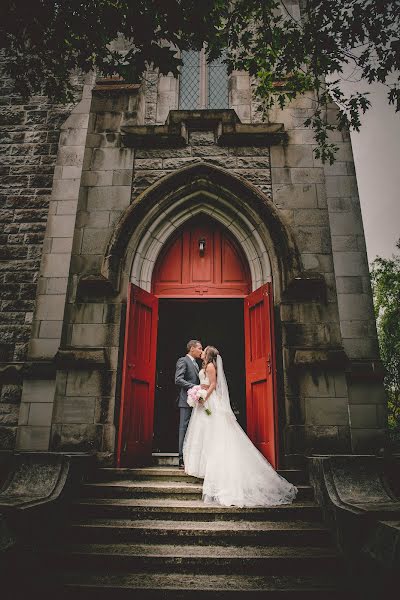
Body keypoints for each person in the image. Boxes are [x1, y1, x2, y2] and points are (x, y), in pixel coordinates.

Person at [183, 346, 298, 507]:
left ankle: (214, 468)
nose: (202, 352)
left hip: (210, 400)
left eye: (204, 350)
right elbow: (206, 383)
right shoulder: (205, 366)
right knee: (203, 432)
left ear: (208, 355)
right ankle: (203, 466)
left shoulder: (210, 366)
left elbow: (214, 384)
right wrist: (199, 390)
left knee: (214, 433)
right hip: (204, 399)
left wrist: (203, 398)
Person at [174, 340, 202, 469]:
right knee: (183, 429)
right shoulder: (183, 360)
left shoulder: (196, 364)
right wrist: (195, 387)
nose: (201, 351)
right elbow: (178, 379)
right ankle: (181, 458)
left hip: (195, 401)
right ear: (192, 348)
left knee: (194, 429)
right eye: (199, 348)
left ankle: (192, 457)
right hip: (186, 400)